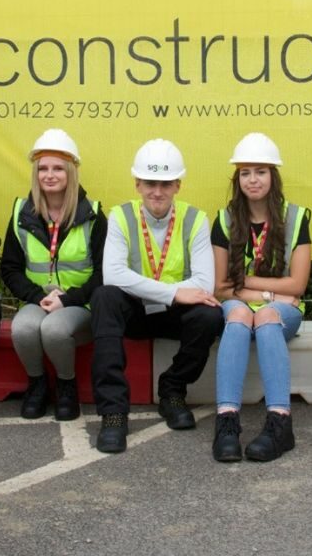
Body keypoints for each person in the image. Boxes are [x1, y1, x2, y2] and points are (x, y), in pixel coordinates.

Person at [91, 138, 223, 453]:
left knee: (209, 314)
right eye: (150, 183)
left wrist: (181, 296)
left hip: (174, 316)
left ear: (178, 184)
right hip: (135, 311)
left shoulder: (196, 220)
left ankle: (173, 390)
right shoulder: (121, 217)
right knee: (104, 297)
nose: (157, 192)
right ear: (137, 184)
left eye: (165, 183)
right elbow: (114, 275)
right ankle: (113, 412)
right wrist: (176, 292)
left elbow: (205, 284)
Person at [210, 133, 311, 463]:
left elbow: (297, 285)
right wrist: (265, 291)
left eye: (261, 171)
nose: (252, 180)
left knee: (267, 317)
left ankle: (280, 422)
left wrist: (253, 288)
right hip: (240, 304)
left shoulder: (296, 217)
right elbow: (220, 287)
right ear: (237, 179)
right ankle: (227, 422)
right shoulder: (225, 219)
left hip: (280, 308)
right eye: (245, 173)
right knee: (239, 317)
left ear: (274, 176)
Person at [0, 129, 105, 421]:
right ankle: (37, 385)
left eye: (58, 168)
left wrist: (68, 299)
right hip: (39, 299)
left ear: (71, 172)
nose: (49, 175)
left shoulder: (92, 214)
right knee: (22, 328)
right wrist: (37, 296)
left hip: (78, 305)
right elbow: (8, 268)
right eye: (43, 168)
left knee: (54, 329)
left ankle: (66, 385)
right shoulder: (22, 212)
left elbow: (103, 275)